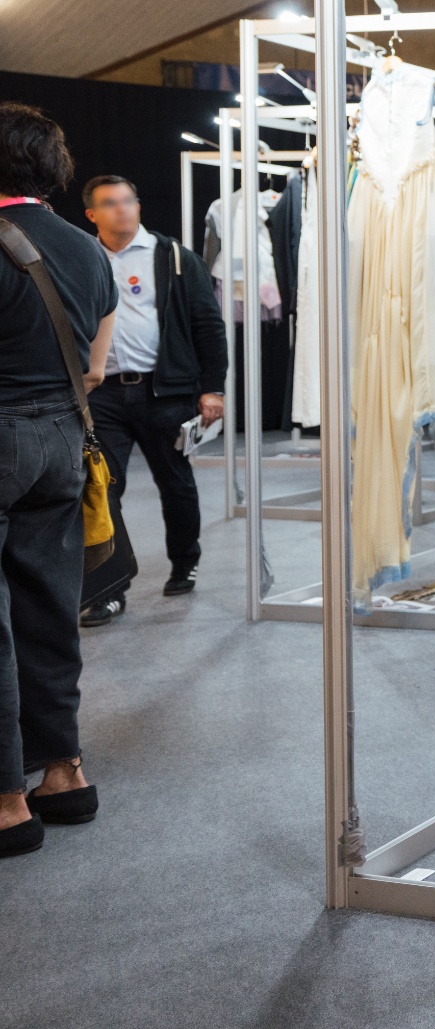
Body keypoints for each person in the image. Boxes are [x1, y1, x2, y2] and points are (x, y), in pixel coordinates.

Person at [0, 103, 117, 858]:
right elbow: (98, 366)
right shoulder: (87, 248)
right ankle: (63, 771)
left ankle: (9, 802)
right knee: (50, 607)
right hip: (63, 440)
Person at [77, 176, 226, 623]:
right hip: (101, 396)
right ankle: (109, 588)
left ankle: (185, 561)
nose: (122, 209)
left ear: (138, 205)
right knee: (104, 490)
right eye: (109, 203)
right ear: (92, 215)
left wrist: (212, 388)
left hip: (165, 392)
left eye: (128, 200)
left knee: (174, 483)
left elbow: (208, 325)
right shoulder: (82, 257)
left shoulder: (174, 256)